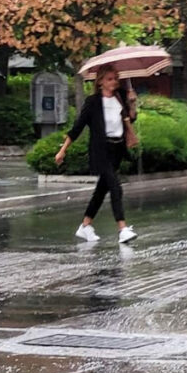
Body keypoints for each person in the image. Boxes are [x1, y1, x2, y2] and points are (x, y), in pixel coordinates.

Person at [54, 63, 138, 243]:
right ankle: (122, 229)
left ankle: (85, 226)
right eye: (110, 79)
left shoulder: (120, 97)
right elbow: (78, 127)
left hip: (117, 149)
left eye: (116, 79)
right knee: (115, 186)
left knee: (101, 190)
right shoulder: (93, 102)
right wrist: (63, 150)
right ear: (100, 82)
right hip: (101, 150)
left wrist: (132, 103)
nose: (114, 82)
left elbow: (130, 119)